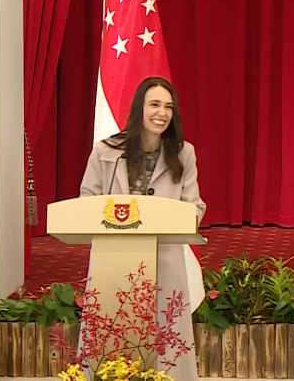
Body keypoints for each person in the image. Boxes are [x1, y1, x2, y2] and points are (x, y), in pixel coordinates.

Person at [79, 76, 205, 381]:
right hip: (115, 260)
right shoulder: (106, 151)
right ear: (139, 108)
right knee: (111, 336)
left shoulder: (183, 152)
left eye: (168, 107)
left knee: (165, 345)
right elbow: (86, 201)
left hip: (163, 259)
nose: (161, 113)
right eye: (155, 105)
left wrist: (165, 218)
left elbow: (195, 207)